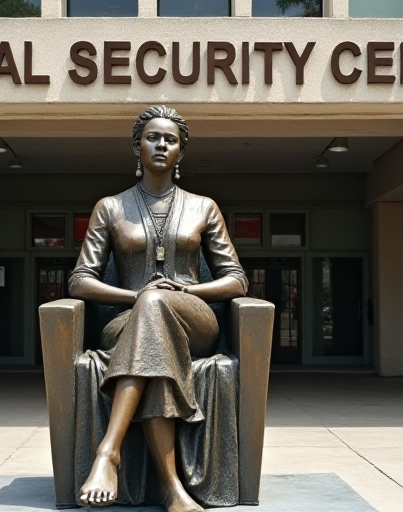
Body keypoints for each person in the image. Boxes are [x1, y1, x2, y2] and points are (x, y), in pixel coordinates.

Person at [67, 106, 248, 512]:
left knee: (157, 308)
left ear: (181, 151)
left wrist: (185, 288)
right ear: (137, 147)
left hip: (194, 321)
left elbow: (237, 279)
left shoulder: (204, 207)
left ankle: (108, 451)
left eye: (170, 139)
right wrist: (135, 296)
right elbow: (79, 281)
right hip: (128, 321)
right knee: (156, 341)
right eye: (153, 137)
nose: (161, 145)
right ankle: (171, 489)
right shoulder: (110, 207)